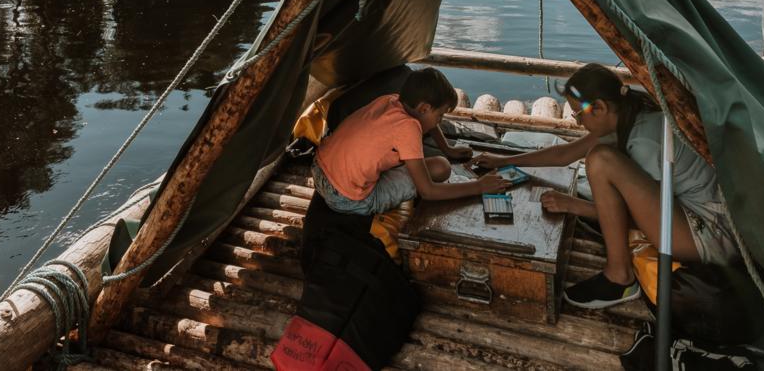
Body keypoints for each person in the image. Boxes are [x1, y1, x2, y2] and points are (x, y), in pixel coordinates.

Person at [473, 62, 735, 309]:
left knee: (600, 160)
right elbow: (563, 154)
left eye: (578, 113)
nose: (577, 122)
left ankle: (620, 278)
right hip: (696, 218)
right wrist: (504, 160)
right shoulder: (628, 114)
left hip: (709, 236)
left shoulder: (645, 142)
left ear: (598, 107)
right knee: (598, 156)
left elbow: (642, 219)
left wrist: (573, 205)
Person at [313, 67, 507, 216]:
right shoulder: (408, 128)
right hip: (347, 199)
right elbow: (428, 191)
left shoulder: (390, 100)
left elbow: (429, 121)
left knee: (440, 162)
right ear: (423, 108)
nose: (439, 121)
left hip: (320, 168)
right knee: (441, 169)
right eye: (440, 116)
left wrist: (447, 149)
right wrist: (479, 186)